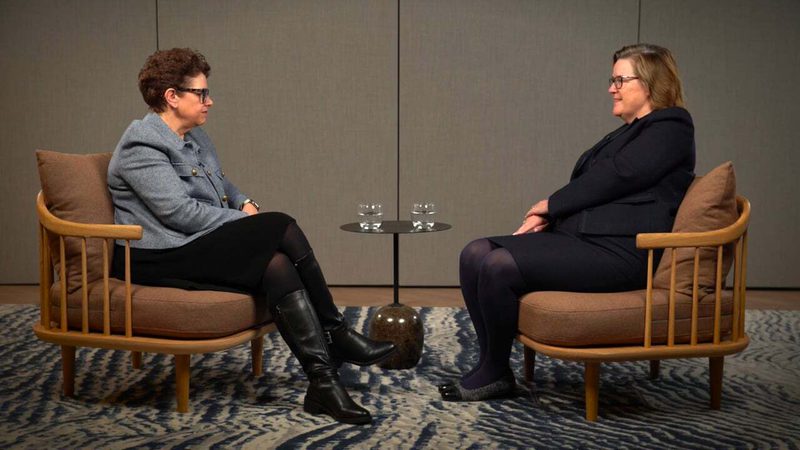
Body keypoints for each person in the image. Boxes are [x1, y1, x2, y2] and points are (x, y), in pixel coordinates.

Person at [108, 48, 395, 425]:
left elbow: (223, 182)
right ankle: (336, 330)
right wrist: (241, 221)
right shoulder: (141, 146)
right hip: (157, 255)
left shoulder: (195, 137)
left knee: (277, 265)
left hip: (193, 243)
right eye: (201, 93)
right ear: (171, 96)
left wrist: (245, 202)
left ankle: (323, 383)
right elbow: (178, 214)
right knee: (283, 224)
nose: (210, 101)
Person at [439, 43, 696, 401]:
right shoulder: (626, 133)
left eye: (620, 79)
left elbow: (621, 176)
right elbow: (600, 185)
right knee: (474, 253)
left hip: (625, 251)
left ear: (651, 83)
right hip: (585, 241)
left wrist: (550, 206)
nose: (612, 88)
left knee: (498, 265)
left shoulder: (672, 126)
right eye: (612, 79)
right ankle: (491, 365)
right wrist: (553, 216)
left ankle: (494, 372)